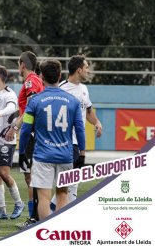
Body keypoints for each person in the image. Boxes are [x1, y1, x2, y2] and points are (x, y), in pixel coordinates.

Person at [18, 59, 85, 222]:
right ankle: (59, 231)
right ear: (60, 75)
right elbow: (80, 128)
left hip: (42, 156)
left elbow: (26, 128)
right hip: (65, 155)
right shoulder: (73, 101)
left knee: (44, 198)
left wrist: (21, 152)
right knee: (62, 194)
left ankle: (46, 233)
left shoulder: (34, 101)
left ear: (41, 77)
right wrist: (82, 153)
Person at [50, 55, 103, 210]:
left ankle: (45, 214)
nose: (88, 70)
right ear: (79, 70)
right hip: (65, 142)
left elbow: (88, 111)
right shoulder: (61, 88)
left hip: (77, 142)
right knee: (70, 183)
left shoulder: (84, 89)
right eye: (86, 67)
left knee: (71, 183)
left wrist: (97, 122)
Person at [5, 51, 44, 226]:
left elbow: (31, 107)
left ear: (22, 64)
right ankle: (34, 216)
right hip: (31, 133)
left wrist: (15, 127)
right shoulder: (33, 81)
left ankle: (35, 218)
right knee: (30, 177)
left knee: (33, 176)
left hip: (33, 134)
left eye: (18, 64)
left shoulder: (31, 81)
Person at [0, 65, 25, 220]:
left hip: (6, 141)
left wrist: (0, 113)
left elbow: (12, 108)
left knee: (4, 173)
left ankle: (19, 202)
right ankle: (2, 210)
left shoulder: (9, 94)